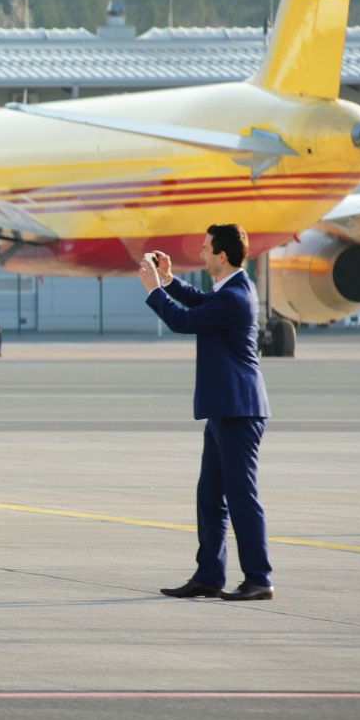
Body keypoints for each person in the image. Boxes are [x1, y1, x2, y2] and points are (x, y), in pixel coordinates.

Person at [139, 224, 274, 601]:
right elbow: (201, 303)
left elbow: (184, 320)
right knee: (210, 497)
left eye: (205, 248)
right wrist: (169, 281)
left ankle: (259, 578)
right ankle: (210, 576)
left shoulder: (235, 296)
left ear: (222, 255)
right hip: (224, 409)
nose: (200, 254)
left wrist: (153, 289)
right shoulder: (230, 290)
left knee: (241, 497)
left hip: (239, 410)